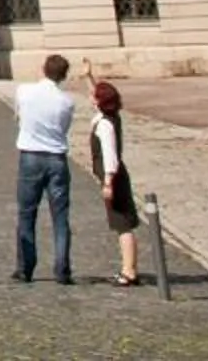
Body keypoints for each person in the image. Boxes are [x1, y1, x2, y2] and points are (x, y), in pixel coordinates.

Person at [14, 51, 78, 284]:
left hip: (30, 157)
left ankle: (25, 268)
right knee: (60, 217)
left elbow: (18, 118)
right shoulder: (67, 101)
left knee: (26, 213)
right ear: (63, 76)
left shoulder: (24, 91)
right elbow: (64, 128)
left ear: (43, 69)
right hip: (57, 159)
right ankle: (62, 269)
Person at [91, 80, 142, 285]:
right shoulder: (111, 116)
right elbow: (97, 95)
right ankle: (128, 268)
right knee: (122, 224)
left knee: (122, 225)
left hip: (114, 178)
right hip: (115, 177)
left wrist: (108, 182)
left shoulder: (105, 124)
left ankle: (129, 271)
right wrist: (90, 77)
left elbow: (110, 155)